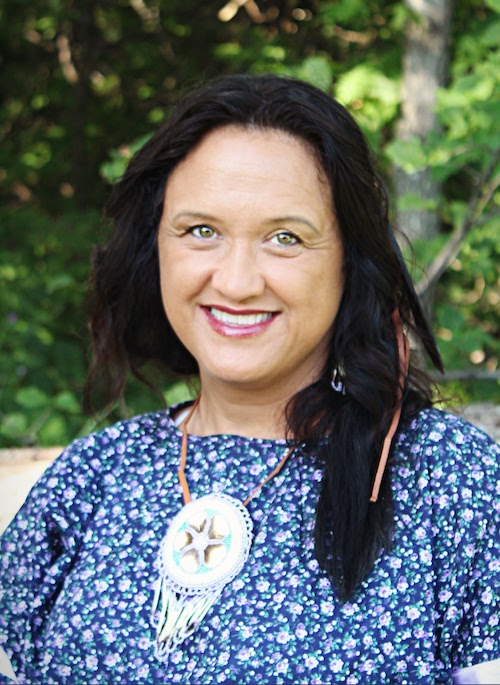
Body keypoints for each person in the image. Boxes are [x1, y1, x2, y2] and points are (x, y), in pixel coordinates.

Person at [0, 74, 498, 685]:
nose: (236, 282)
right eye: (201, 231)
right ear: (155, 245)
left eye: (285, 238)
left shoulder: (448, 484)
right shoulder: (89, 480)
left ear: (350, 259)